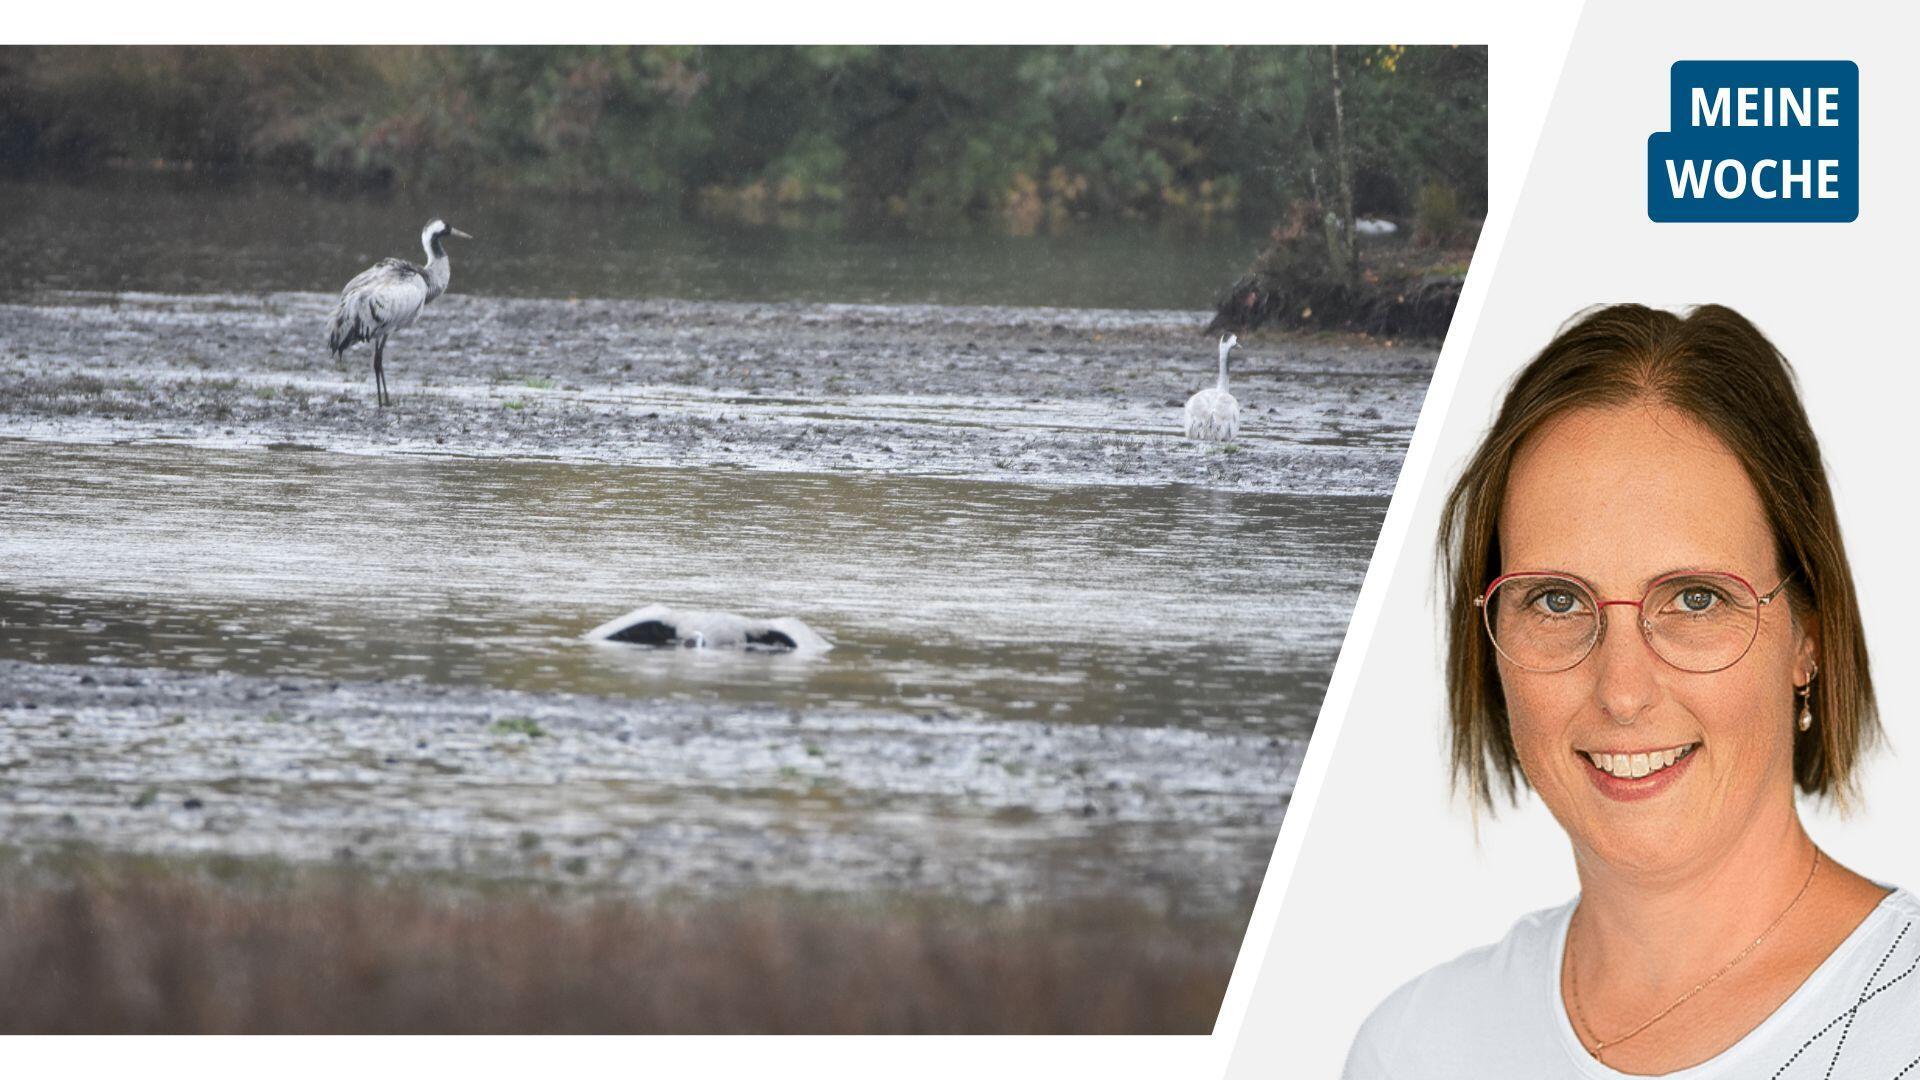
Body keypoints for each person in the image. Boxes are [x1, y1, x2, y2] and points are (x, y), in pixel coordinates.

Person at [1345, 304, 1919, 1077]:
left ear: (1807, 634)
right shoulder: (1414, 1048)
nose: (1622, 691)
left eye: (1694, 599)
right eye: (1556, 600)